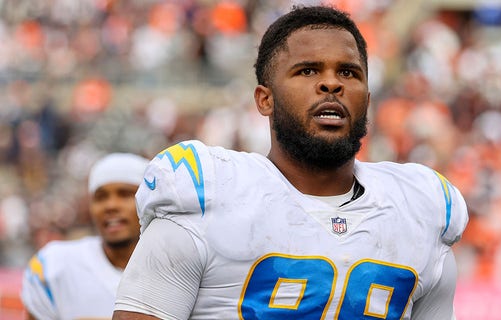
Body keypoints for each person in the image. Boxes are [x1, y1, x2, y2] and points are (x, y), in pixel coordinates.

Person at [113, 5, 468, 320]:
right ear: (264, 99)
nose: (331, 83)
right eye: (308, 71)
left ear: (368, 97)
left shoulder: (420, 209)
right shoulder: (207, 195)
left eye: (349, 73)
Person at [21, 153, 148, 320]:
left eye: (125, 194)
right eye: (100, 197)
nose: (110, 206)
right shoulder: (55, 266)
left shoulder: (180, 267)